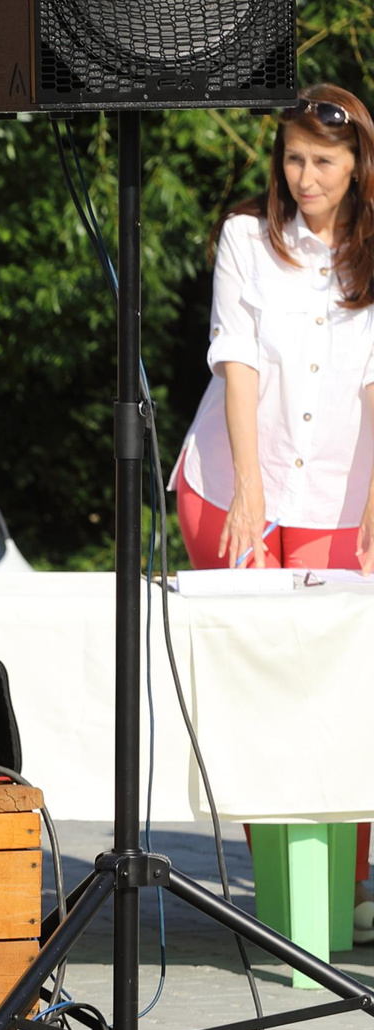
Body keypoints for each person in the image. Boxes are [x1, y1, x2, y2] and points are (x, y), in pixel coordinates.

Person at [169, 83, 374, 890]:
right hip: (230, 483)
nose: (305, 176)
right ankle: (282, 883)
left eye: (323, 161)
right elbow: (237, 357)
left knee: (339, 682)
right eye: (293, 158)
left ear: (358, 164)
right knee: (257, 678)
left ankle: (347, 881)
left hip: (339, 493)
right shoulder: (247, 237)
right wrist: (250, 486)